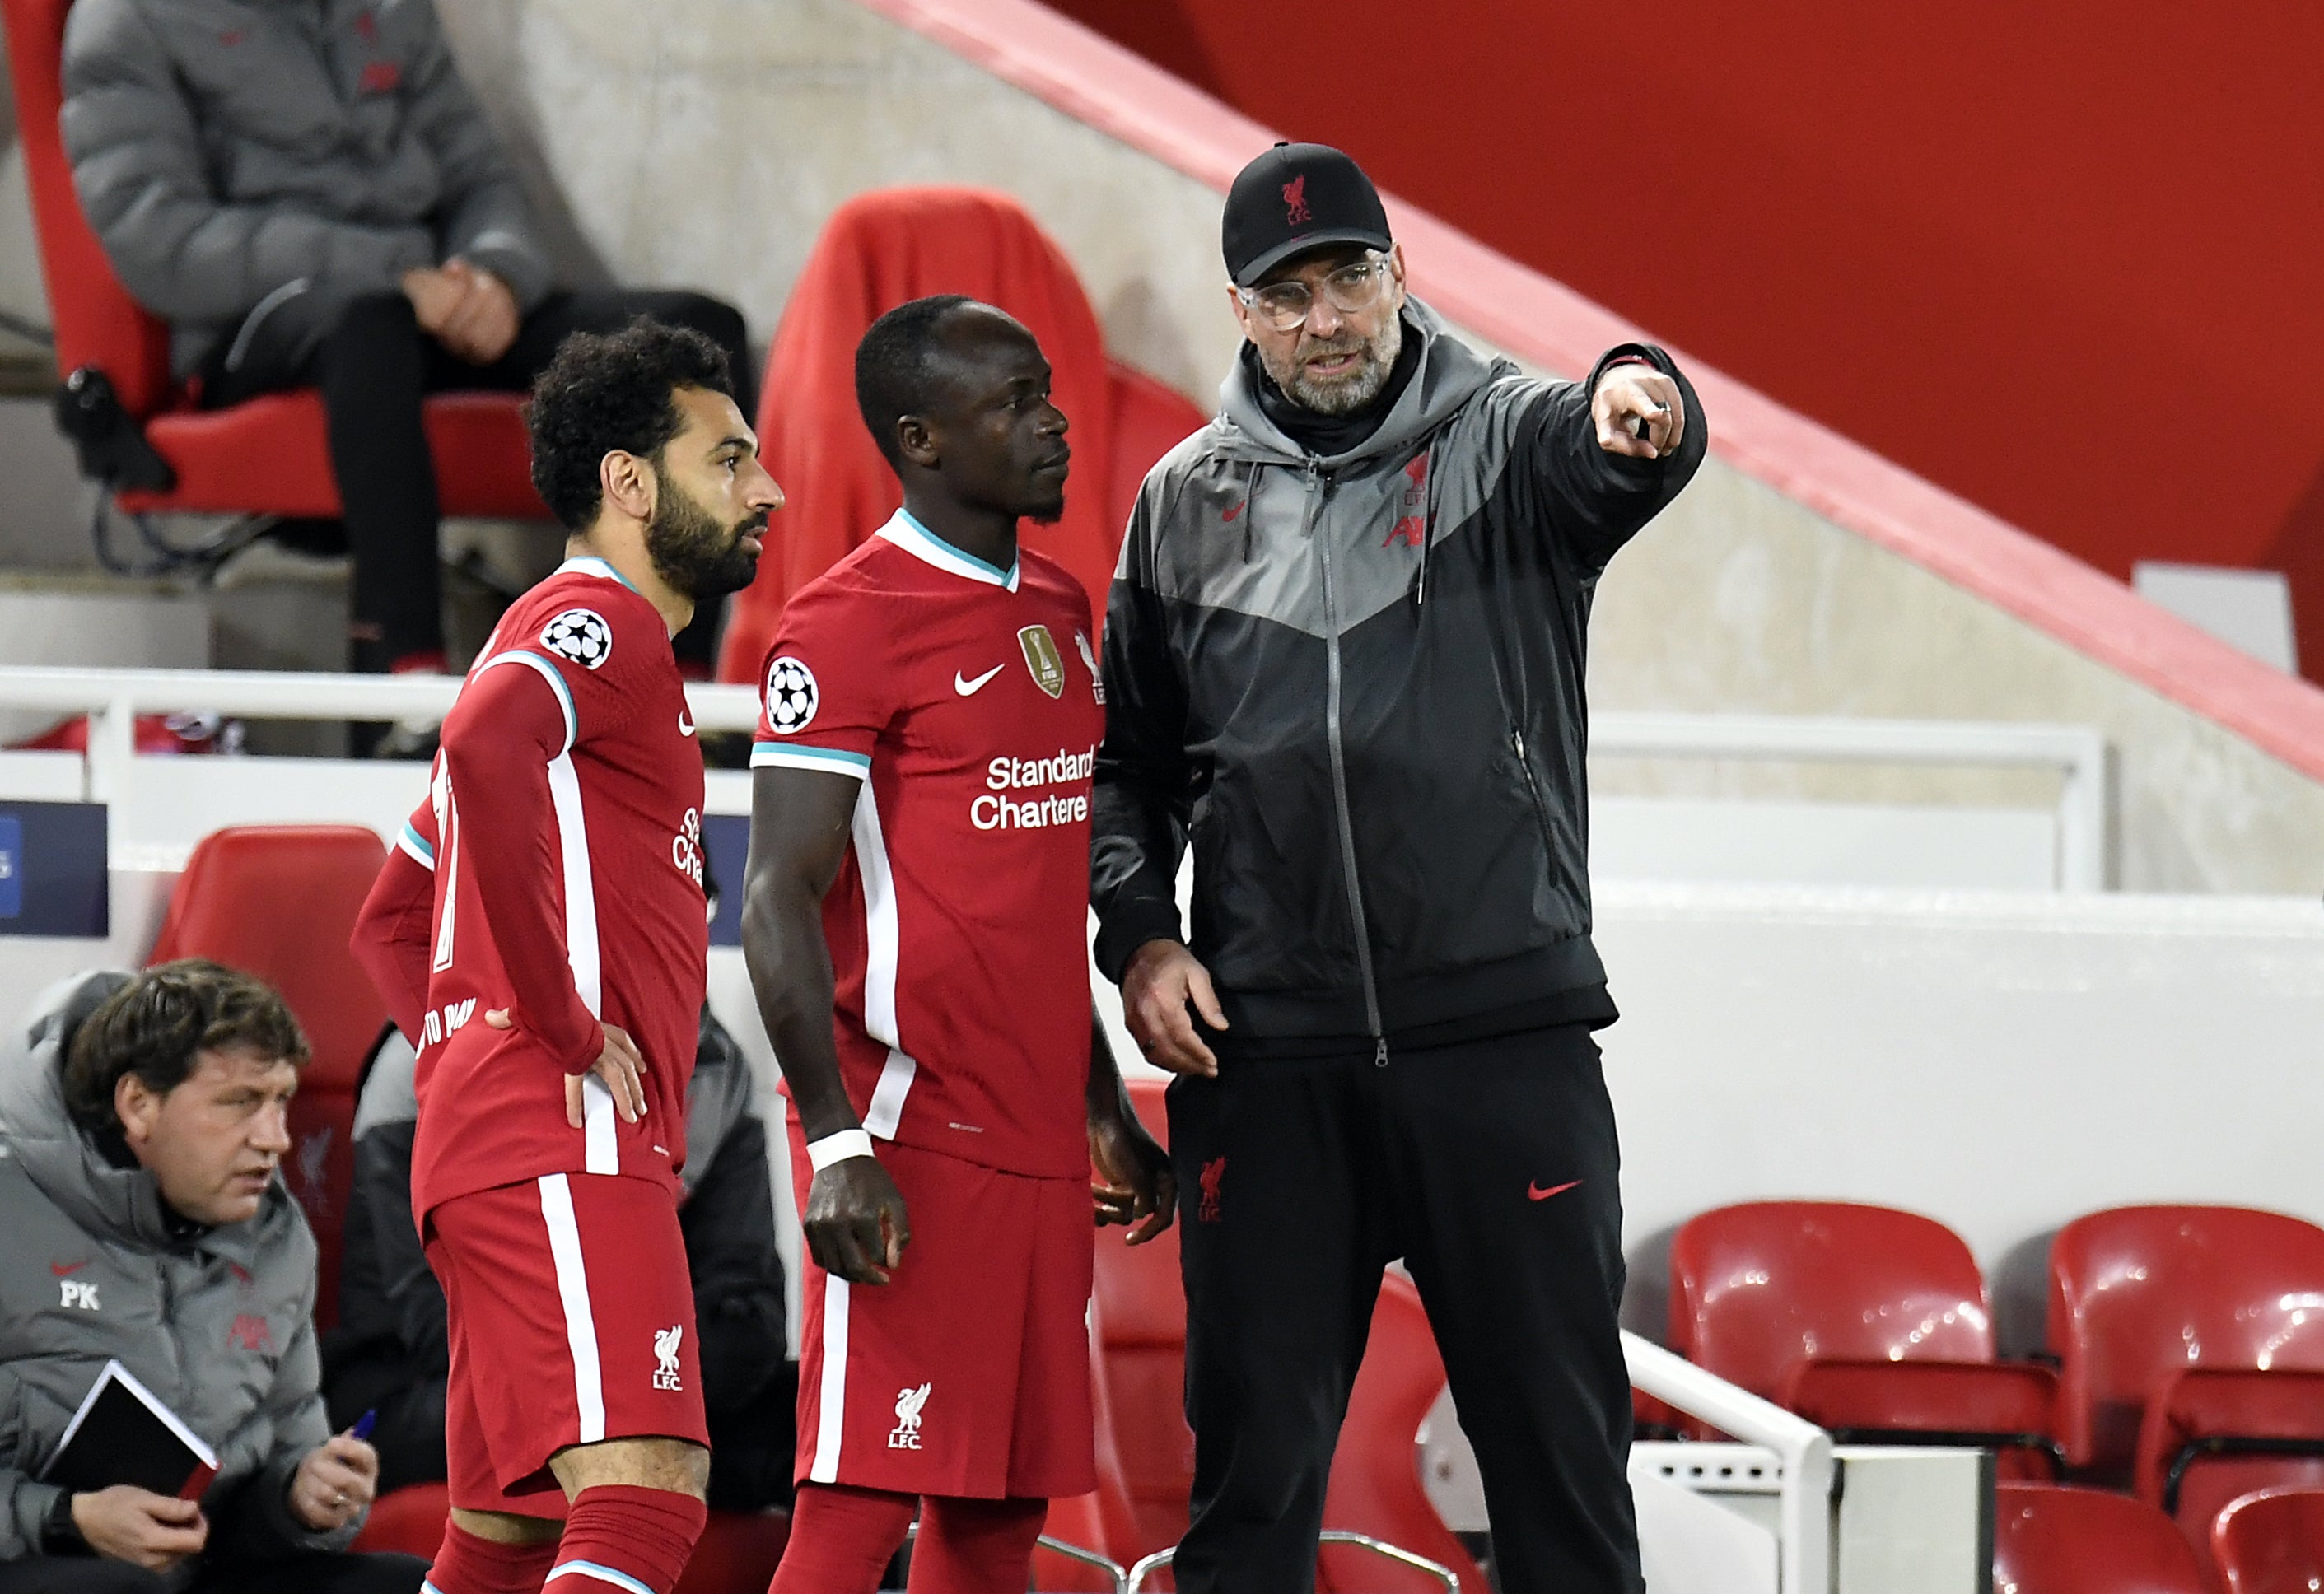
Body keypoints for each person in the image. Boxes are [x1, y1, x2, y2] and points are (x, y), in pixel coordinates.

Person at [1090, 142, 1707, 1594]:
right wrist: (1137, 936)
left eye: (1349, 277)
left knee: (1560, 1482)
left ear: (1398, 276)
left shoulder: (1504, 438)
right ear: (1241, 311)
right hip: (1269, 1060)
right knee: (1248, 1498)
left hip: (1505, 1047)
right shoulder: (1179, 505)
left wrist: (1640, 394)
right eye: (1288, 292)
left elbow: (1618, 436)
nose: (1327, 318)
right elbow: (1128, 767)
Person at [741, 295, 1174, 1594]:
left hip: (1037, 1135)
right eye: (1014, 406)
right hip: (908, 1134)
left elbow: (1029, 906)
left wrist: (1098, 1105)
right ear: (921, 439)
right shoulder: (842, 623)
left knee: (996, 1517)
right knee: (857, 1507)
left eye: (1048, 392)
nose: (1053, 424)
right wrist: (833, 1143)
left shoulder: (1055, 602)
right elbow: (773, 898)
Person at [346, 319, 779, 1594]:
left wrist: (467, 1058)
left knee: (508, 1536)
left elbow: (387, 922)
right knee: (647, 1502)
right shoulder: (600, 623)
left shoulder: (552, 641)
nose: (766, 490)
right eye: (729, 460)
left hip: (502, 1148)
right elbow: (484, 742)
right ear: (629, 484)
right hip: (564, 1142)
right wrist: (562, 1035)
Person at [58, 0, 754, 683]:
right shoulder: (126, 18)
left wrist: (494, 277)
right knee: (372, 325)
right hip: (265, 321)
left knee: (691, 337)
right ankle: (407, 679)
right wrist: (396, 278)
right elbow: (163, 243)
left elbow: (481, 174)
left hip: (429, 300)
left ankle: (672, 680)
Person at [0, 961, 425, 1594]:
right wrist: (69, 1517)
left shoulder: (277, 1240)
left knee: (410, 1585)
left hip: (205, 1570)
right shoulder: (13, 1210)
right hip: (36, 1560)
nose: (276, 1138)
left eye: (281, 1099)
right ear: (139, 1104)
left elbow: (285, 1447)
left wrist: (301, 1497)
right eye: (240, 1103)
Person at [324, 1004, 794, 1509]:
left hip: (642, 1380)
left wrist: (650, 1382)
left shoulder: (718, 1065)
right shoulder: (428, 1052)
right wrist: (622, 1383)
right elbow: (435, 1318)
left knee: (831, 1414)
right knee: (597, 1437)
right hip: (434, 1387)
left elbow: (748, 1312)